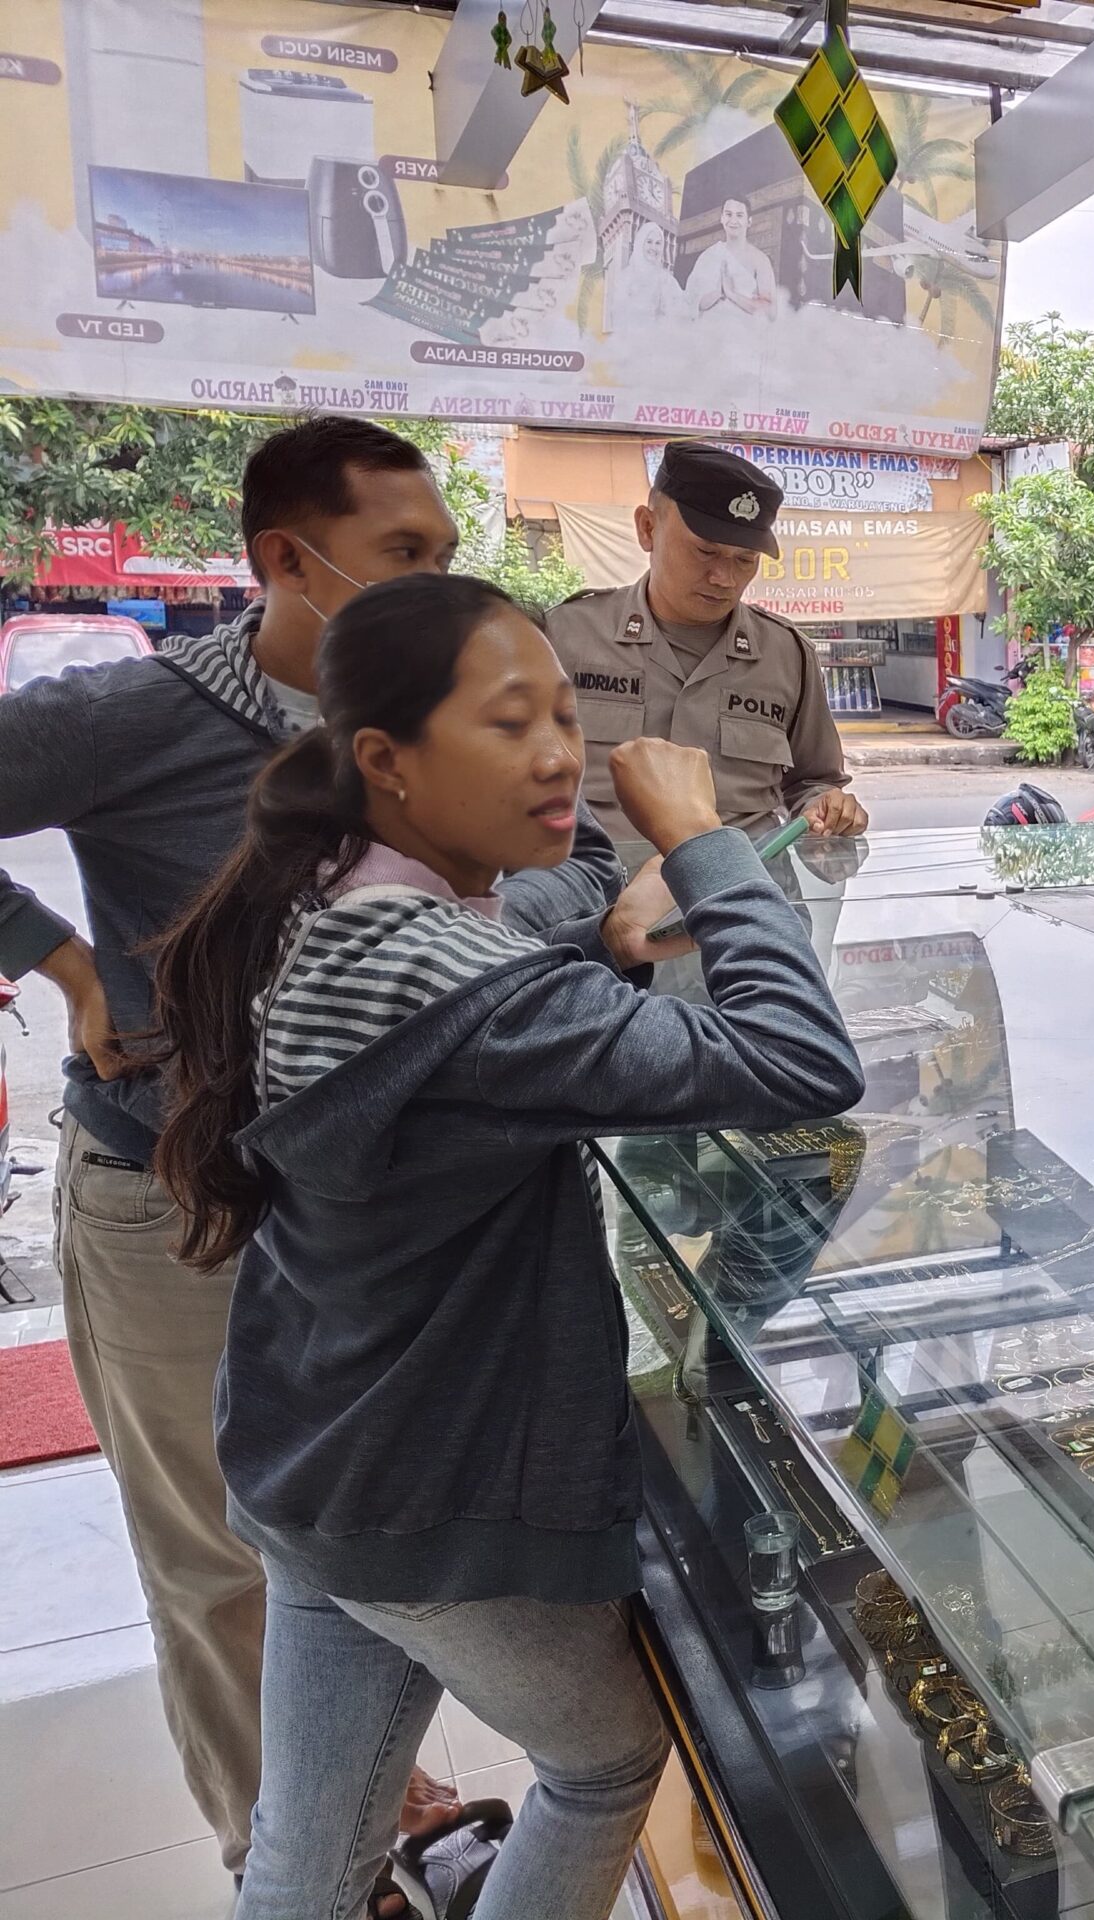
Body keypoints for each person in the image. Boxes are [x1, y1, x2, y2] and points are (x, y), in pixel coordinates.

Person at [0, 417, 650, 1911]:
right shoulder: (140, 715)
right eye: (401, 552)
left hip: (369, 1223)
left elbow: (583, 857)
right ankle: (296, 1868)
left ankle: (350, 1830)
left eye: (445, 549)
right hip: (179, 1208)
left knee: (354, 1548)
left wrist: (492, 922)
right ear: (288, 561)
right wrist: (57, 957)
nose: (434, 578)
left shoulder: (446, 704)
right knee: (225, 1568)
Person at [146, 574, 865, 1920]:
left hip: (310, 1449)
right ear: (387, 760)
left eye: (564, 717)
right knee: (605, 1764)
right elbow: (800, 1061)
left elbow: (505, 983)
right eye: (507, 721)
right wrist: (704, 842)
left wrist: (610, 941)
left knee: (309, 1850)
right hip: (425, 1490)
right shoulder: (464, 989)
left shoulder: (327, 894)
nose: (557, 756)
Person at [546, 442, 868, 843]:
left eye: (745, 559)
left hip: (737, 877)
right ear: (648, 528)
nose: (724, 578)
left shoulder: (787, 655)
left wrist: (827, 807)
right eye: (705, 551)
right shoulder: (563, 637)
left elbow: (814, 781)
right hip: (601, 878)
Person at [684, 197, 778, 319]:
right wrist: (718, 293)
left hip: (744, 329)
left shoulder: (760, 260)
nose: (733, 220)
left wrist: (732, 294)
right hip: (707, 328)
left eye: (739, 215)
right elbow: (691, 302)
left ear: (749, 221)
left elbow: (770, 311)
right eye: (728, 214)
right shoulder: (708, 255)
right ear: (722, 218)